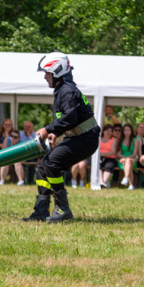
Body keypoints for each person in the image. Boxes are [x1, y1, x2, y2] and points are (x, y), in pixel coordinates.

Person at [23, 52, 100, 223]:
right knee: (42, 167)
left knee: (51, 163)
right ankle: (42, 211)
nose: (44, 77)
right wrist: (55, 133)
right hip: (78, 136)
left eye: (47, 73)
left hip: (86, 138)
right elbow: (69, 120)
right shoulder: (62, 91)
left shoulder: (68, 90)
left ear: (57, 71)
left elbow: (70, 118)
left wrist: (48, 128)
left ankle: (63, 208)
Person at [0, 119, 25, 185]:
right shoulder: (7, 139)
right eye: (11, 136)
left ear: (18, 137)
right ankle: (2, 181)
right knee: (5, 162)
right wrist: (9, 142)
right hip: (9, 158)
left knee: (17, 162)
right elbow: (3, 150)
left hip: (19, 158)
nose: (13, 138)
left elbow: (21, 154)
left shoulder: (21, 143)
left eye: (15, 137)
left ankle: (21, 181)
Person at [98, 124, 119, 188]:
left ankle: (103, 183)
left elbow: (113, 152)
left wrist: (101, 154)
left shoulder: (114, 140)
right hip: (100, 158)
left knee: (108, 166)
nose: (108, 132)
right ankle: (101, 182)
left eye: (110, 131)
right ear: (103, 131)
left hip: (111, 159)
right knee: (98, 166)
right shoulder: (99, 139)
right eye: (107, 130)